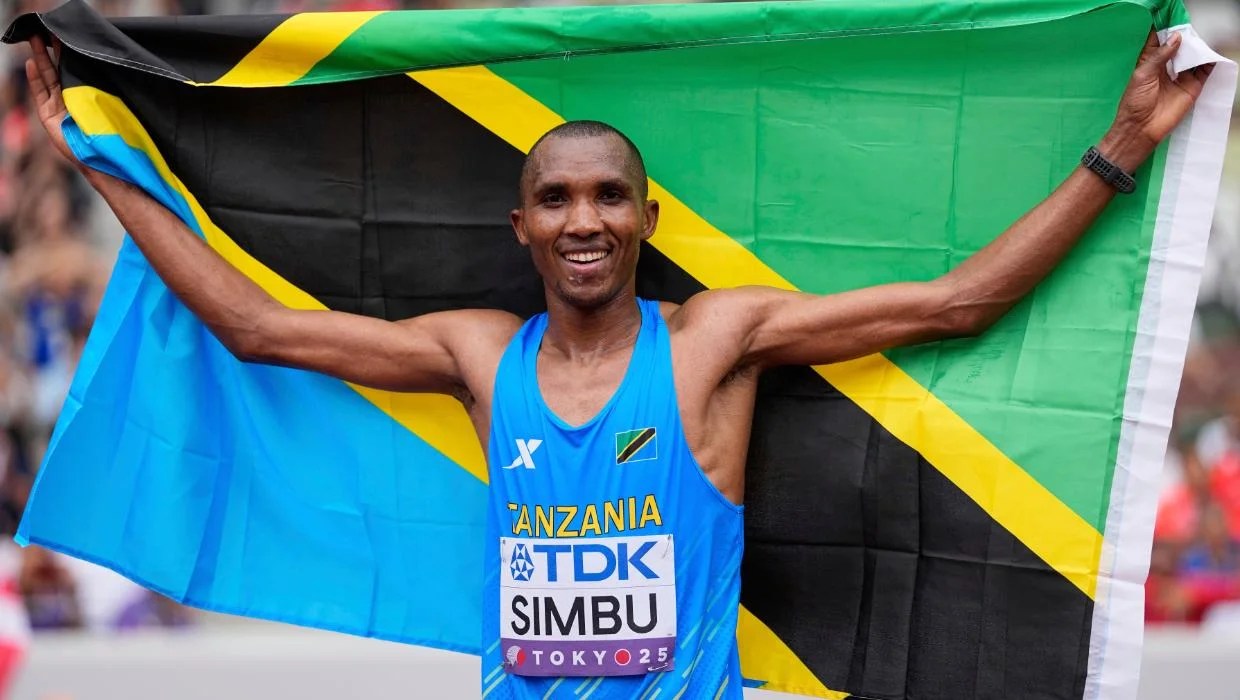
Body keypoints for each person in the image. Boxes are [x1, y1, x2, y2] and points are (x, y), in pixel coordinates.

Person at [23, 29, 1212, 699]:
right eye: (556, 198)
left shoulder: (714, 342)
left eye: (607, 197)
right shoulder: (479, 355)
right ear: (523, 228)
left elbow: (960, 302)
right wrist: (101, 161)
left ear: (646, 219)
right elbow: (259, 328)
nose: (583, 219)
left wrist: (1117, 147)